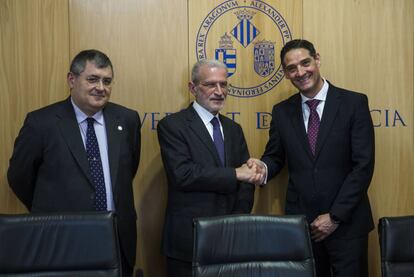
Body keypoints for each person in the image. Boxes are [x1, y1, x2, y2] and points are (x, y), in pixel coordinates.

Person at [8, 49, 141, 277]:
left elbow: (128, 171)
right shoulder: (42, 123)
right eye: (92, 79)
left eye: (107, 81)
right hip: (61, 239)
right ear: (72, 80)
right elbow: (19, 177)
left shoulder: (127, 119)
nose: (101, 87)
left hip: (116, 238)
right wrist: (51, 210)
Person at [248, 39, 375, 277]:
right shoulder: (282, 111)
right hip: (303, 225)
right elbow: (275, 156)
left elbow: (363, 166)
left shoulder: (353, 103)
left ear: (317, 59)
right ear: (286, 74)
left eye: (305, 63)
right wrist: (262, 167)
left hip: (347, 224)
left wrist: (334, 216)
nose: (300, 72)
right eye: (291, 68)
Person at [157, 59, 261, 277]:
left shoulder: (234, 129)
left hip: (231, 239)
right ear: (192, 88)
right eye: (210, 84)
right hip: (189, 241)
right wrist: (234, 173)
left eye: (224, 85)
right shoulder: (172, 126)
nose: (219, 91)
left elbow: (247, 181)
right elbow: (183, 175)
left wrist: (236, 221)